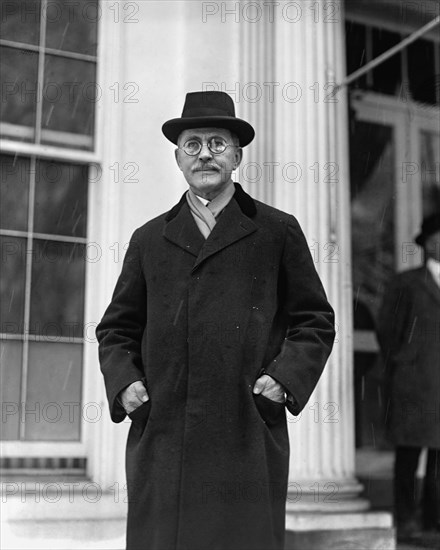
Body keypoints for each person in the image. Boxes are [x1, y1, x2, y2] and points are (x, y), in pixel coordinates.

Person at [96, 91, 335, 550]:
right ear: (178, 158)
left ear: (237, 155)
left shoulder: (277, 231)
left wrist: (281, 381)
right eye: (192, 144)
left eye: (217, 143)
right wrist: (125, 384)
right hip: (164, 436)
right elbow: (116, 329)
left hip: (245, 432)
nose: (205, 153)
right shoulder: (148, 239)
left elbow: (315, 320)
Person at [377, 213, 440, 542]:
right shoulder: (406, 283)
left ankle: (434, 522)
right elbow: (387, 329)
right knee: (409, 452)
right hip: (414, 382)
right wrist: (403, 360)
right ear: (428, 244)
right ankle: (406, 520)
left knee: (438, 458)